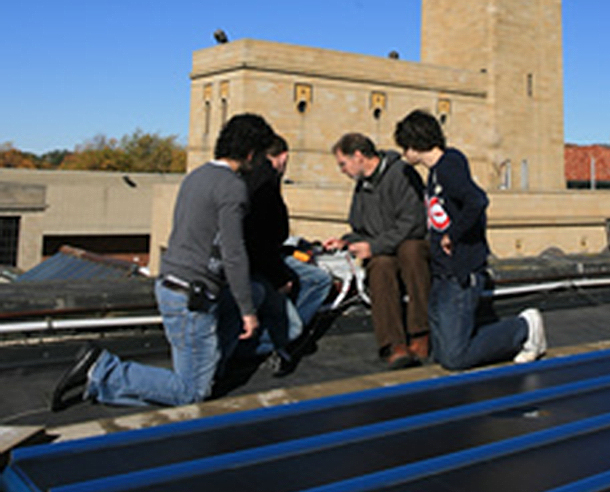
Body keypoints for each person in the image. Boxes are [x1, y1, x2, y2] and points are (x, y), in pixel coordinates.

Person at [51, 113, 276, 410]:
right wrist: (248, 312)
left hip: (173, 285)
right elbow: (233, 253)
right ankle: (103, 370)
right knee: (191, 393)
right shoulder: (232, 187)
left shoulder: (196, 176)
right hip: (191, 297)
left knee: (253, 293)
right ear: (250, 153)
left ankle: (207, 369)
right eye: (260, 157)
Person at [394, 109, 546, 371]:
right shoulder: (436, 172)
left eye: (404, 147)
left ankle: (524, 328)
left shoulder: (448, 167)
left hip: (459, 272)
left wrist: (452, 235)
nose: (404, 154)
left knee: (455, 358)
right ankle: (514, 332)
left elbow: (477, 201)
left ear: (415, 144)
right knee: (442, 354)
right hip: (442, 272)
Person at [325, 133, 431, 370]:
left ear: (359, 156)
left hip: (409, 245)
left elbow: (413, 223)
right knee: (380, 265)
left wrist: (374, 246)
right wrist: (346, 242)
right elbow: (361, 228)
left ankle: (420, 332)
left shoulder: (401, 174)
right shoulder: (362, 185)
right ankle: (393, 344)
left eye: (343, 164)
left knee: (411, 251)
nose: (342, 170)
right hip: (385, 250)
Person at [242, 134, 332, 375]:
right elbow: (259, 242)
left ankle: (279, 340)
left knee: (318, 279)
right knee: (293, 326)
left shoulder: (253, 176)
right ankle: (267, 344)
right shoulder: (265, 182)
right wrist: (280, 277)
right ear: (283, 157)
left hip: (265, 258)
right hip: (260, 265)